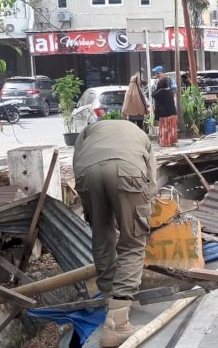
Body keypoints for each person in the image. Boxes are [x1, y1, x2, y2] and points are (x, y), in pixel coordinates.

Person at [73, 120, 157, 347]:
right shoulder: (140, 135)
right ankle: (118, 323)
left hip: (86, 173)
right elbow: (151, 181)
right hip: (128, 168)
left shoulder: (90, 130)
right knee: (132, 242)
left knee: (102, 236)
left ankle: (112, 300)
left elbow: (76, 159)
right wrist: (140, 215)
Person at [152, 68, 178, 147]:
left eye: (157, 73)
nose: (156, 75)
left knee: (164, 129)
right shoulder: (169, 91)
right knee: (170, 128)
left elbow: (153, 94)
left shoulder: (160, 91)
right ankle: (171, 141)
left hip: (163, 114)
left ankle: (165, 142)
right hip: (171, 112)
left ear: (160, 73)